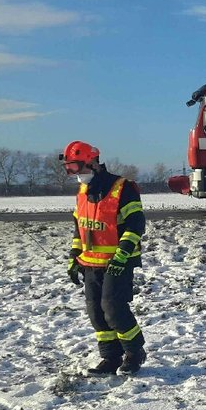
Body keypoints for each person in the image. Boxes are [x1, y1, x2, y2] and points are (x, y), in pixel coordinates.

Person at [62, 140, 148, 376]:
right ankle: (110, 358)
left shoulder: (122, 187)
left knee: (113, 308)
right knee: (96, 313)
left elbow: (136, 224)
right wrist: (74, 257)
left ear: (93, 163)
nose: (75, 175)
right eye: (69, 169)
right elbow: (79, 229)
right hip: (90, 263)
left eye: (76, 168)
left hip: (118, 261)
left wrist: (122, 256)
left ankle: (134, 352)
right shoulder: (82, 192)